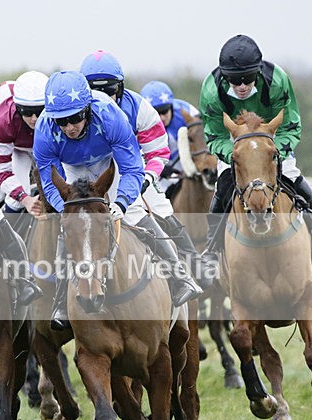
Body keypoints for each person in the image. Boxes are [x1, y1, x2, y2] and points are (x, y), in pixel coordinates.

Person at [34, 71, 202, 330]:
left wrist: (121, 202)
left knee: (134, 212)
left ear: (87, 109)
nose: (69, 127)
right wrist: (67, 211)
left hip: (112, 162)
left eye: (75, 118)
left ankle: (179, 276)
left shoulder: (110, 115)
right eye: (62, 121)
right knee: (72, 226)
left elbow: (133, 169)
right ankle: (60, 301)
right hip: (74, 168)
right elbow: (49, 181)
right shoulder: (45, 130)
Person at [199, 34, 312, 269]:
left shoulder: (277, 80)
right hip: (234, 142)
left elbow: (291, 125)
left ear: (258, 70)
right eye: (235, 81)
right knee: (223, 185)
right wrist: (237, 155)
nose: (243, 86)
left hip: (270, 139)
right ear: (225, 77)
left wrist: (273, 152)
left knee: (291, 174)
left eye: (247, 79)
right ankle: (211, 251)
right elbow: (214, 134)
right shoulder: (211, 89)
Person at [80, 50, 212, 289]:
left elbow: (158, 152)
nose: (103, 97)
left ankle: (188, 270)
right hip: (88, 170)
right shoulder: (75, 110)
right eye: (94, 90)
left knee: (162, 210)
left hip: (132, 169)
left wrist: (146, 178)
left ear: (119, 87)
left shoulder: (139, 108)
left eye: (108, 90)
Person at [0, 71, 50, 306]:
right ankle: (5, 251)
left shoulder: (58, 115)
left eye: (39, 111)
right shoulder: (1, 120)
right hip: (14, 148)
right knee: (13, 197)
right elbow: (0, 170)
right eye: (27, 112)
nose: (33, 118)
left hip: (44, 145)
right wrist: (24, 199)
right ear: (16, 107)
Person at [140, 80, 203, 192]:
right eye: (156, 113)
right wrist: (159, 169)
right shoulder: (140, 121)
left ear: (172, 106)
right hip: (157, 171)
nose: (162, 118)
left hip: (187, 166)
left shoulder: (189, 112)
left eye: (164, 111)